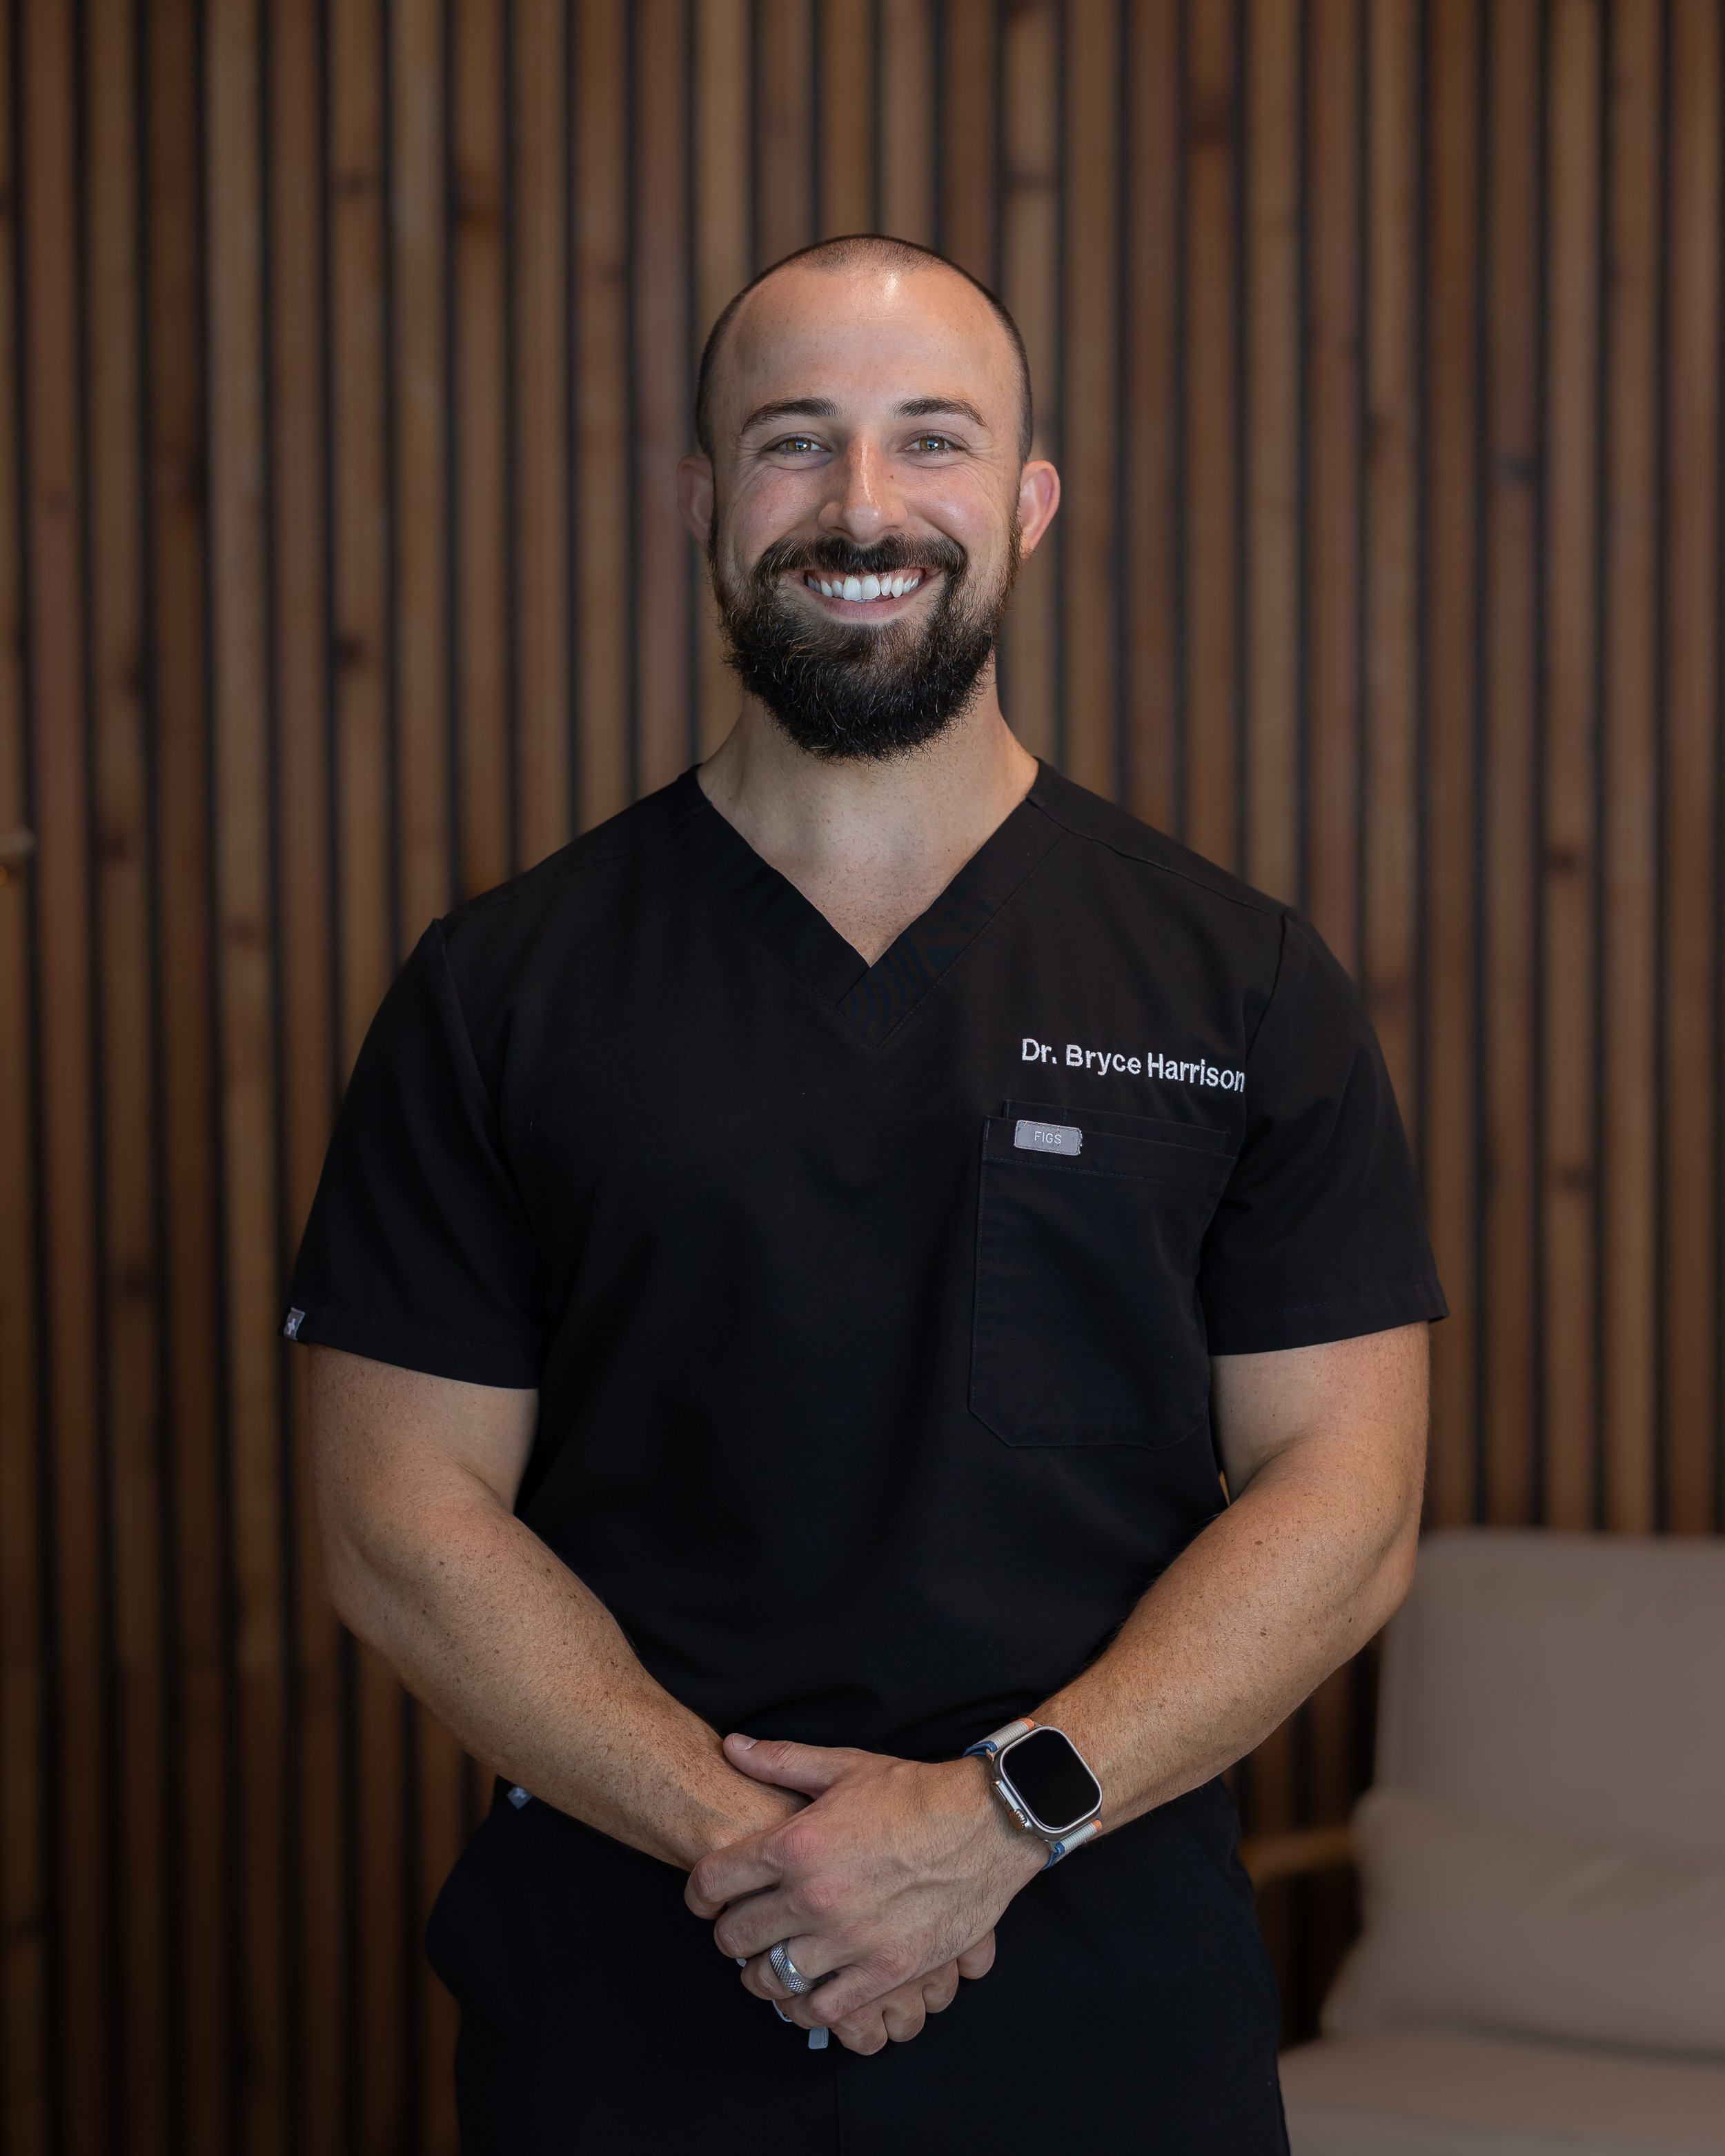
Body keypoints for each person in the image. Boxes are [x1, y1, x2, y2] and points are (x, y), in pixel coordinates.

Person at [286, 235, 1443, 2154]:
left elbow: (1348, 1501)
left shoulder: (1235, 985)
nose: (863, 505)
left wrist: (990, 1824)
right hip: (637, 2006)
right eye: (794, 441)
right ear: (702, 500)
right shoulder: (500, 991)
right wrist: (775, 1862)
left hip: (1105, 2012)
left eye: (931, 439)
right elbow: (395, 1521)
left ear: (1027, 504)